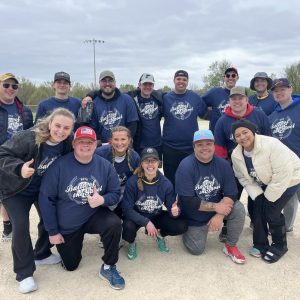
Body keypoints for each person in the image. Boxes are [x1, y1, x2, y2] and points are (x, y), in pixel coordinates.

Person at [39, 126, 125, 290]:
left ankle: (109, 266)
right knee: (71, 266)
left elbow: (115, 193)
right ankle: (72, 246)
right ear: (73, 144)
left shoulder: (105, 166)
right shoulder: (59, 166)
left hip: (94, 215)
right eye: (81, 142)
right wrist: (53, 232)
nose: (85, 145)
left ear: (95, 145)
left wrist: (102, 200)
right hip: (69, 224)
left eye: (89, 142)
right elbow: (46, 199)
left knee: (114, 223)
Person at [0, 108, 75, 293]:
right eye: (57, 125)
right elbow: (2, 154)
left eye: (66, 128)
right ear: (50, 124)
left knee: (50, 218)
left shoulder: (66, 143)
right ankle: (24, 274)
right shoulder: (28, 138)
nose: (61, 131)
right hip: (16, 189)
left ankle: (41, 253)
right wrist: (19, 168)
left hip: (41, 190)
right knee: (21, 227)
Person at [231, 119, 300, 263]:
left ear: (253, 132)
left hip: (290, 178)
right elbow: (242, 177)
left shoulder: (271, 144)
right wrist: (257, 195)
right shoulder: (236, 154)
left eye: (245, 132)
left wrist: (268, 198)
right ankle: (260, 244)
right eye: (238, 135)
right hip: (265, 180)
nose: (242, 137)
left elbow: (283, 174)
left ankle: (280, 246)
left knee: (271, 211)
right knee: (257, 207)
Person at [175, 129, 246, 264]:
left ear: (214, 145)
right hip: (194, 215)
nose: (205, 148)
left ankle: (230, 245)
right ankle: (187, 232)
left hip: (218, 209)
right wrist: (217, 207)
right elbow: (187, 200)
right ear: (194, 146)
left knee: (238, 208)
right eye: (200, 144)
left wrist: (219, 215)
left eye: (208, 144)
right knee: (196, 250)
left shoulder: (223, 164)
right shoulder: (185, 166)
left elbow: (232, 193)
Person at [214, 86, 271, 239]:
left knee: (257, 197)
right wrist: (224, 171)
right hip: (235, 168)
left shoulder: (259, 115)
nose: (237, 101)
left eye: (240, 98)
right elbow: (219, 149)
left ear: (247, 99)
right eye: (234, 98)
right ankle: (227, 226)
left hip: (258, 166)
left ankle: (256, 221)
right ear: (229, 101)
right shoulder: (223, 121)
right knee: (232, 196)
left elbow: (269, 141)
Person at [122, 147, 187, 260]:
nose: (150, 164)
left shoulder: (165, 183)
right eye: (147, 160)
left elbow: (172, 207)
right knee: (127, 228)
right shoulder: (133, 182)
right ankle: (132, 242)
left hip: (156, 215)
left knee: (181, 225)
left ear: (158, 163)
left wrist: (175, 211)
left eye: (153, 160)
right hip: (137, 215)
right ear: (141, 163)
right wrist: (146, 222)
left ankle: (160, 235)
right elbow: (127, 209)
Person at [0, 72, 33, 241]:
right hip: (1, 156)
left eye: (14, 86)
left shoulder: (25, 111)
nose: (10, 89)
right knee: (3, 194)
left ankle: (10, 225)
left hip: (19, 159)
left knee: (12, 192)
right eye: (6, 85)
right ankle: (7, 226)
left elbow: (29, 135)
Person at [162, 70, 207, 186]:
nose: (181, 82)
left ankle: (189, 203)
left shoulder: (195, 97)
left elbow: (205, 113)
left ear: (187, 82)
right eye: (178, 79)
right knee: (170, 181)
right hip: (169, 147)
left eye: (184, 79)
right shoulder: (166, 98)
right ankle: (172, 203)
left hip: (190, 147)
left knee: (190, 180)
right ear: (174, 81)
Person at [269, 78, 300, 232]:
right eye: (276, 90)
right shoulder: (272, 116)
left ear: (290, 89)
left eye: (283, 89)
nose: (279, 92)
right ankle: (287, 227)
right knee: (289, 198)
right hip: (284, 166)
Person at [95, 125, 140, 215]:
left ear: (129, 140)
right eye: (116, 139)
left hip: (122, 193)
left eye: (123, 139)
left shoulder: (134, 157)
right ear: (110, 140)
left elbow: (136, 181)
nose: (119, 143)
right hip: (103, 191)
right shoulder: (99, 153)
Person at [84, 70, 139, 143]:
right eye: (104, 81)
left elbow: (133, 124)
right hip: (102, 147)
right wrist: (107, 142)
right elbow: (92, 128)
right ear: (99, 83)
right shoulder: (93, 103)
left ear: (115, 83)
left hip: (123, 145)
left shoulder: (127, 99)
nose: (107, 84)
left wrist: (122, 140)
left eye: (110, 81)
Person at [127, 73, 163, 158]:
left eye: (150, 84)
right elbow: (114, 94)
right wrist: (90, 95)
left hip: (157, 144)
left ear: (153, 85)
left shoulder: (159, 98)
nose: (147, 87)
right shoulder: (131, 99)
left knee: (154, 169)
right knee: (139, 170)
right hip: (139, 145)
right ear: (139, 85)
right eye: (145, 84)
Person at [202, 67, 239, 132]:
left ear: (237, 78)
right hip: (216, 133)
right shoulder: (214, 92)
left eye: (233, 75)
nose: (230, 78)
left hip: (235, 133)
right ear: (224, 78)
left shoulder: (241, 94)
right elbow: (199, 103)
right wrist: (208, 115)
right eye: (228, 76)